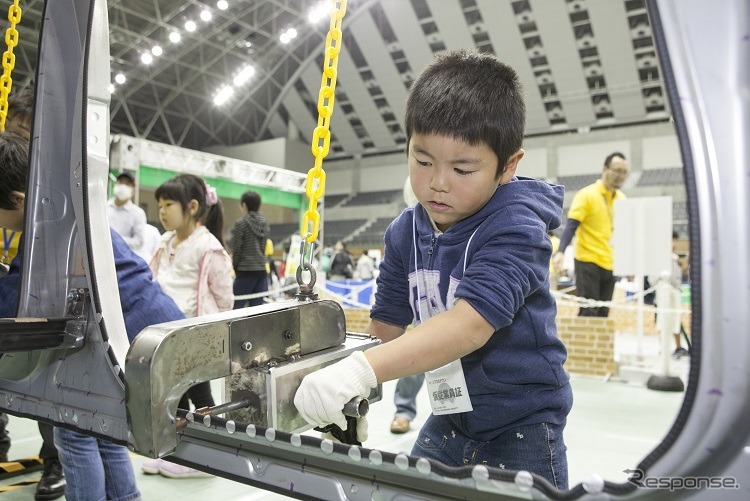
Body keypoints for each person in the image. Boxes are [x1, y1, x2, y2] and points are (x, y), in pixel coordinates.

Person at [294, 50, 572, 489]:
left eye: (462, 168)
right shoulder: (404, 231)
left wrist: (360, 373)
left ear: (508, 166)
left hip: (523, 427)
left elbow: (468, 327)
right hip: (449, 420)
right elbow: (385, 325)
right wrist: (352, 395)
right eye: (423, 161)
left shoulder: (517, 226)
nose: (438, 182)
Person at [0, 130, 187, 500]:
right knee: (104, 430)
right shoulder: (69, 212)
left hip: (135, 343)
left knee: (72, 426)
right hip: (157, 335)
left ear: (19, 199)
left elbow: (14, 304)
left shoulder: (49, 233)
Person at [145, 174, 233, 478]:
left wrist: (214, 334)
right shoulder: (164, 240)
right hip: (166, 330)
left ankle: (210, 455)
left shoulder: (207, 246)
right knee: (175, 394)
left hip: (195, 333)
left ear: (192, 207)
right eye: (160, 205)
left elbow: (224, 296)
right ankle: (181, 451)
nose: (162, 211)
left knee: (199, 394)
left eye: (169, 204)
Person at [552, 152, 628, 317]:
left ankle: (599, 344)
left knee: (603, 312)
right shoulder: (587, 194)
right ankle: (581, 343)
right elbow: (571, 226)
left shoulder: (622, 199)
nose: (620, 176)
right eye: (617, 170)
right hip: (587, 261)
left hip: (610, 263)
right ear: (604, 169)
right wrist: (560, 253)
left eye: (624, 172)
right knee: (588, 311)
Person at [230, 190, 270, 308]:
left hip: (245, 271)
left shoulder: (241, 223)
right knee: (257, 312)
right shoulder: (265, 224)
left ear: (244, 205)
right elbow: (263, 248)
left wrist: (236, 267)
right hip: (261, 271)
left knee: (235, 309)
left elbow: (237, 249)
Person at [107, 171, 148, 253]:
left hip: (122, 257)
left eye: (127, 184)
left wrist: (116, 240)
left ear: (133, 190)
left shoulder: (138, 213)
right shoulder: (103, 207)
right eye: (121, 182)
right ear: (114, 185)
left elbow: (139, 242)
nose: (123, 186)